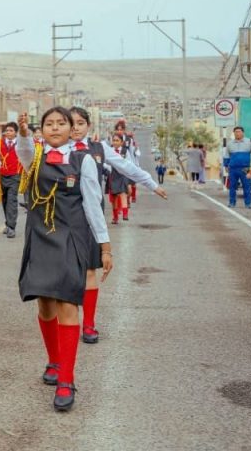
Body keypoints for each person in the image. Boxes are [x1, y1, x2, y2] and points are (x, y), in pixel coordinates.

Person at [15, 109, 112, 412]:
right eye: (49, 124)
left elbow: (94, 205)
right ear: (41, 129)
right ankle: (54, 360)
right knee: (44, 304)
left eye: (61, 123)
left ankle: (66, 380)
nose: (55, 128)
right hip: (40, 236)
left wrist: (105, 247)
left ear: (72, 129)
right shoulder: (35, 157)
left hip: (71, 237)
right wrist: (21, 132)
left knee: (67, 304)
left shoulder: (83, 161)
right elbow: (23, 149)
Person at [70, 106, 166, 345]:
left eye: (80, 123)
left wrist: (151, 184)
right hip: (62, 218)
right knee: (67, 273)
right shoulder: (57, 149)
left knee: (90, 271)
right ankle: (67, 322)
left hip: (90, 218)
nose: (75, 127)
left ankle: (89, 324)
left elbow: (127, 167)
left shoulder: (99, 148)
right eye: (70, 122)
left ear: (88, 126)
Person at [0, 122, 22, 238]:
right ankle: (8, 224)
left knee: (12, 200)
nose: (8, 132)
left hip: (15, 175)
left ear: (15, 132)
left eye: (11, 130)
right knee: (5, 200)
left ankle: (12, 227)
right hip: (3, 175)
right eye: (7, 130)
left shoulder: (20, 143)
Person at [224, 127, 251, 209]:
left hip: (245, 168)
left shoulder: (249, 142)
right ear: (234, 133)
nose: (237, 133)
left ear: (243, 133)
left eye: (239, 132)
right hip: (233, 168)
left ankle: (248, 204)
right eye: (236, 132)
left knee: (247, 186)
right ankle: (232, 202)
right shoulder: (230, 143)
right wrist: (226, 165)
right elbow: (226, 155)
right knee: (232, 187)